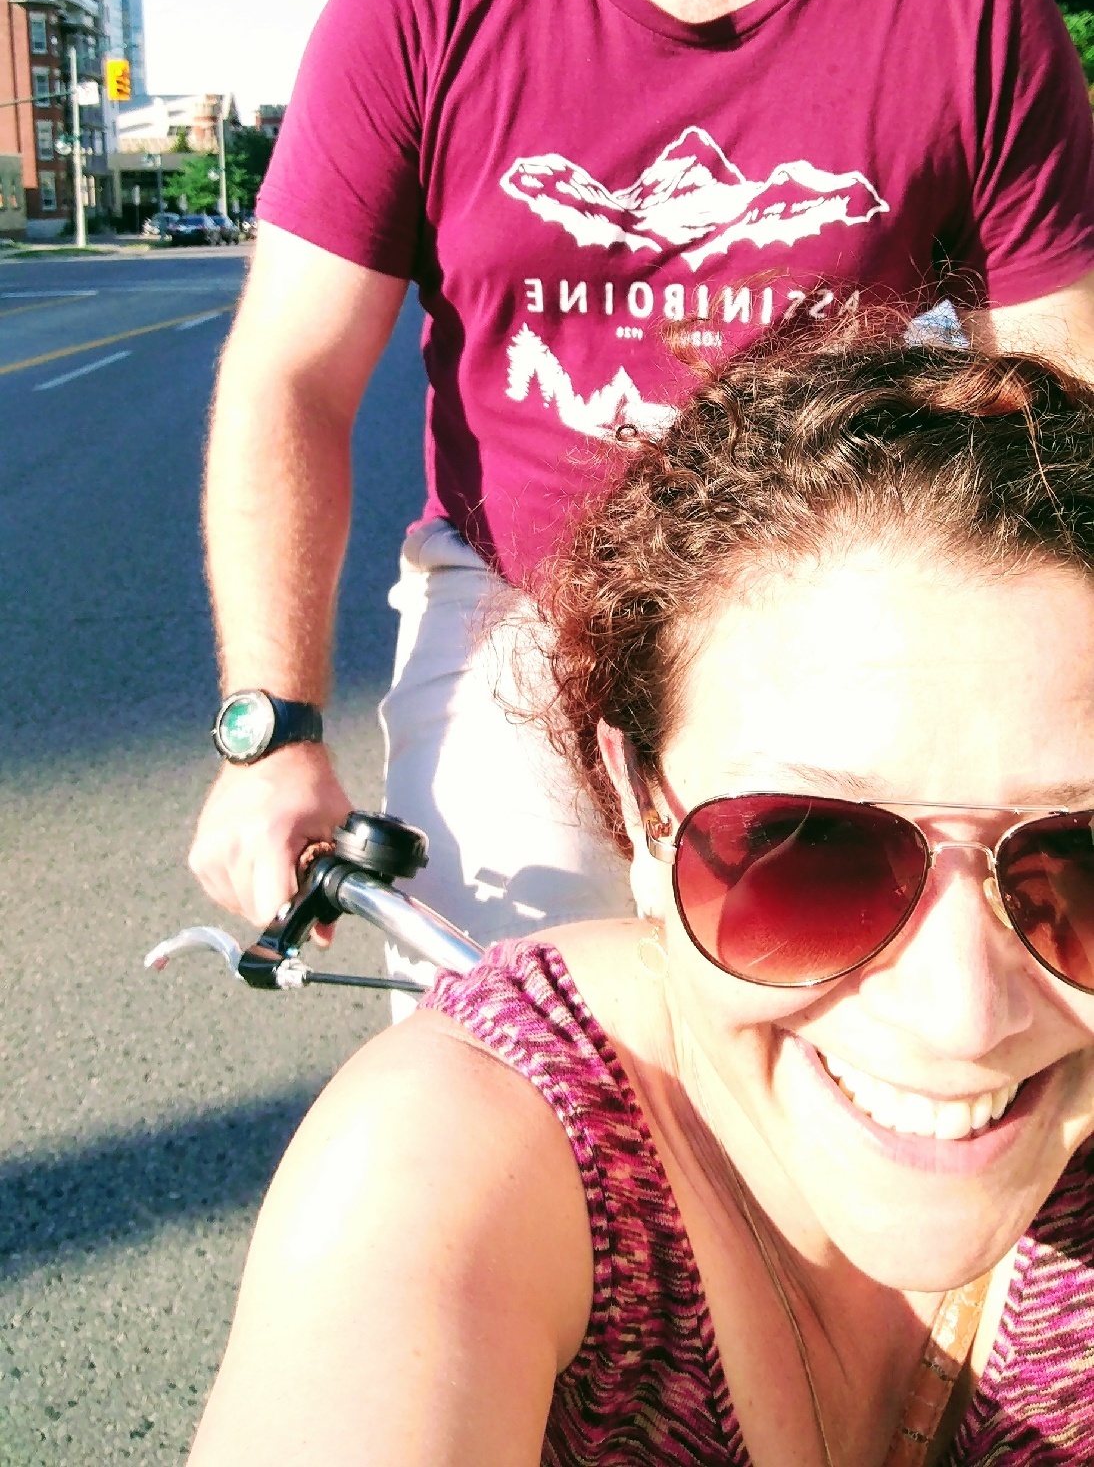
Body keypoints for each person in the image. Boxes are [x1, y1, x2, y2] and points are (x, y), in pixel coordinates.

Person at [188, 0, 1094, 955]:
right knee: (536, 1045)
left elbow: (1061, 413)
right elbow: (291, 376)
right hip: (520, 605)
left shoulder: (974, 1)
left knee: (879, 1041)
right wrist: (268, 729)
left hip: (839, 612)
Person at [188, 329, 1094, 1465]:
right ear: (639, 804)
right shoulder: (451, 1161)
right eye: (811, 853)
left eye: (1077, 862)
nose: (964, 1019)